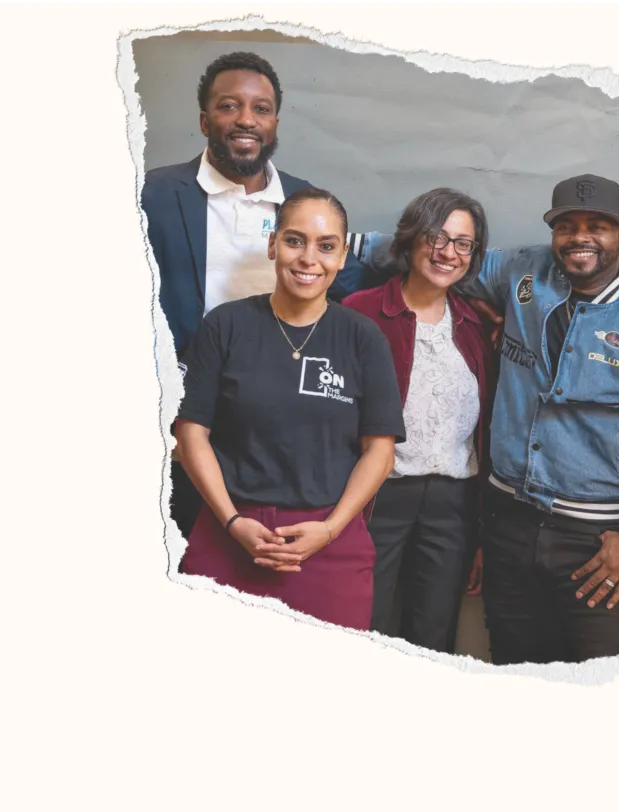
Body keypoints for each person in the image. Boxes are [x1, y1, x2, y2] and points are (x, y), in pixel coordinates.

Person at [353, 174, 619, 663]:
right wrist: (334, 245)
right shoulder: (524, 272)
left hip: (600, 543)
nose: (580, 237)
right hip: (511, 527)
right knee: (515, 679)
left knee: (601, 696)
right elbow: (436, 253)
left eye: (597, 226)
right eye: (566, 226)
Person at [141, 51, 369, 538]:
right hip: (176, 424)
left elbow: (349, 276)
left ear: (275, 123)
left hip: (272, 433)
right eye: (229, 106)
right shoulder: (154, 196)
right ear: (205, 121)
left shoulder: (305, 203)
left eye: (261, 109)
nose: (246, 119)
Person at [173, 188, 405, 630]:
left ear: (340, 258)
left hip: (329, 546)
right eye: (295, 240)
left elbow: (380, 451)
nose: (308, 258)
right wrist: (233, 521)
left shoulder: (363, 337)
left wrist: (331, 529)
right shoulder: (225, 325)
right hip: (229, 536)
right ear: (272, 244)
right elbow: (191, 434)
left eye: (326, 246)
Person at [342, 189, 494, 653]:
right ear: (411, 239)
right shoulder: (360, 313)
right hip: (377, 497)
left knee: (433, 635)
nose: (448, 252)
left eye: (463, 243)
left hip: (452, 504)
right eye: (436, 237)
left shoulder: (477, 325)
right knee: (360, 624)